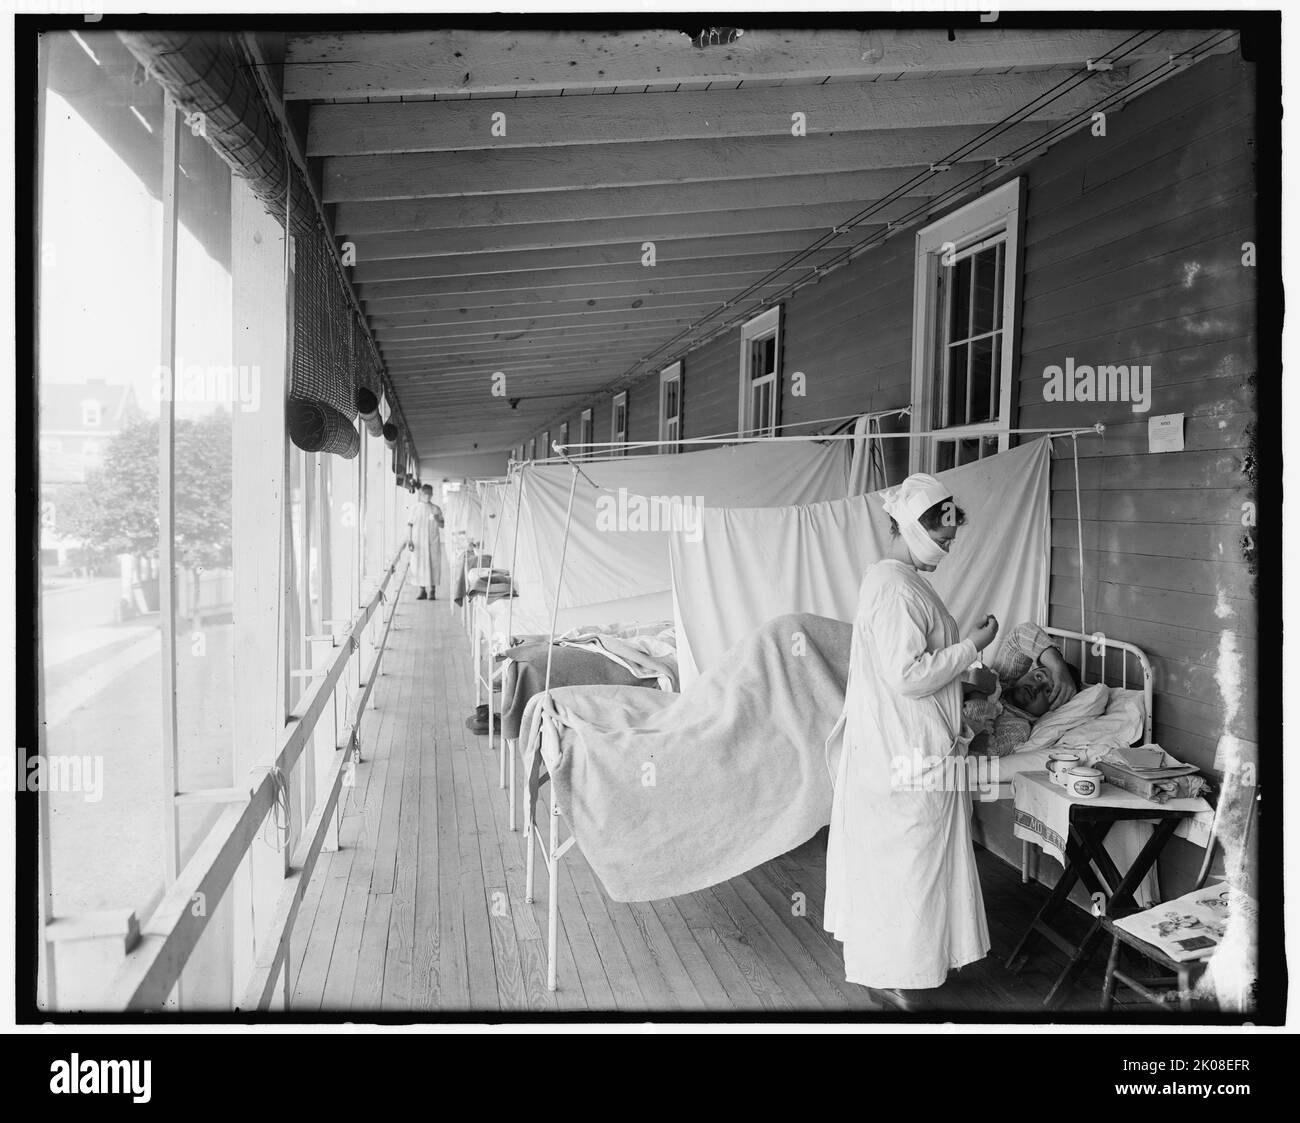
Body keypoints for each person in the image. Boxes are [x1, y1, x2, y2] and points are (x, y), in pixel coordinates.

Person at [823, 473, 1000, 1008]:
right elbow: (905, 674)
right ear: (914, 529)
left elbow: (903, 669)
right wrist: (973, 646)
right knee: (909, 863)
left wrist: (964, 677)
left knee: (909, 862)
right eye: (944, 538)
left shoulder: (899, 580)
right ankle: (896, 974)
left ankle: (905, 968)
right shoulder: (895, 586)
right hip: (902, 754)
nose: (948, 547)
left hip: (904, 745)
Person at [963, 623, 1081, 756]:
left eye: (1048, 691)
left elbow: (978, 754)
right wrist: (1058, 667)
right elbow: (1020, 634)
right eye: (1038, 676)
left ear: (1054, 706)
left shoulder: (1018, 729)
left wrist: (979, 693)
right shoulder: (1004, 679)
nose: (1036, 687)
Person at [406, 484, 445, 600]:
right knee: (420, 566)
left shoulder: (436, 509)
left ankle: (432, 591)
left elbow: (443, 525)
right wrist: (410, 540)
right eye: (425, 493)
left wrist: (437, 519)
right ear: (421, 494)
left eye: (429, 493)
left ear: (432, 494)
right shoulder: (415, 508)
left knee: (433, 565)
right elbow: (409, 524)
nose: (427, 495)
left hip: (432, 542)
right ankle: (422, 591)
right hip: (419, 542)